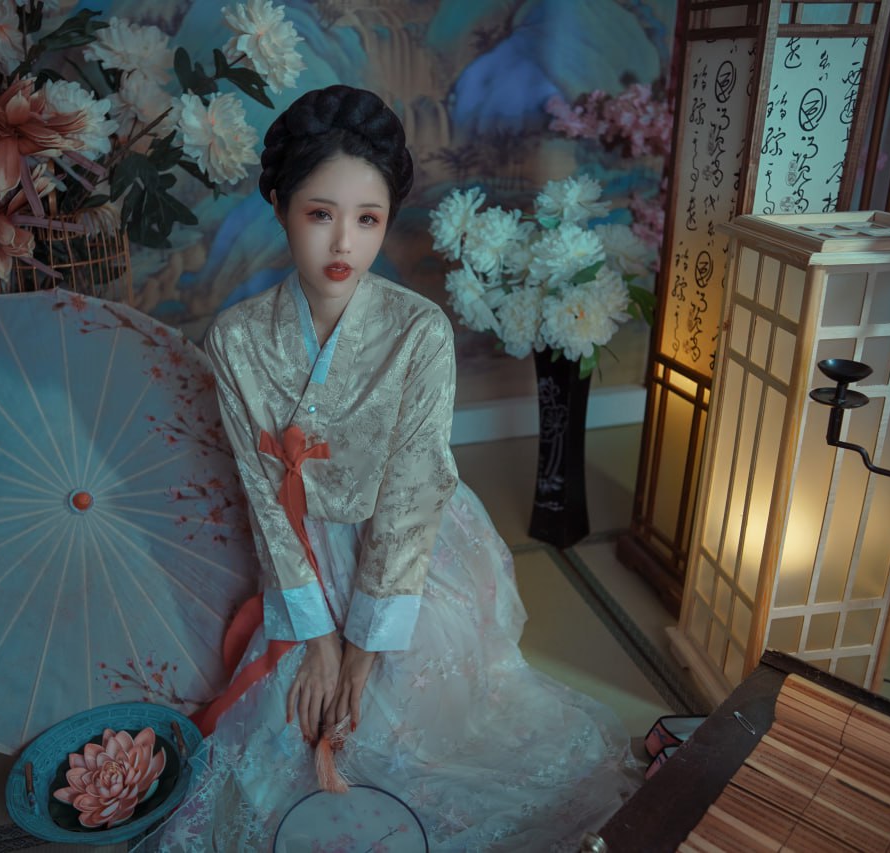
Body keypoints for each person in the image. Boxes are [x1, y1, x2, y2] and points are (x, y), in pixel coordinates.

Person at [144, 84, 641, 852]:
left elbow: (411, 495)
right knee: (286, 723)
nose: (343, 244)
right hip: (303, 548)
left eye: (367, 219)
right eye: (321, 214)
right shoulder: (237, 338)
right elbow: (265, 494)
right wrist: (319, 639)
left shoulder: (418, 331)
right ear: (279, 205)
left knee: (406, 716)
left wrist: (363, 648)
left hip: (412, 548)